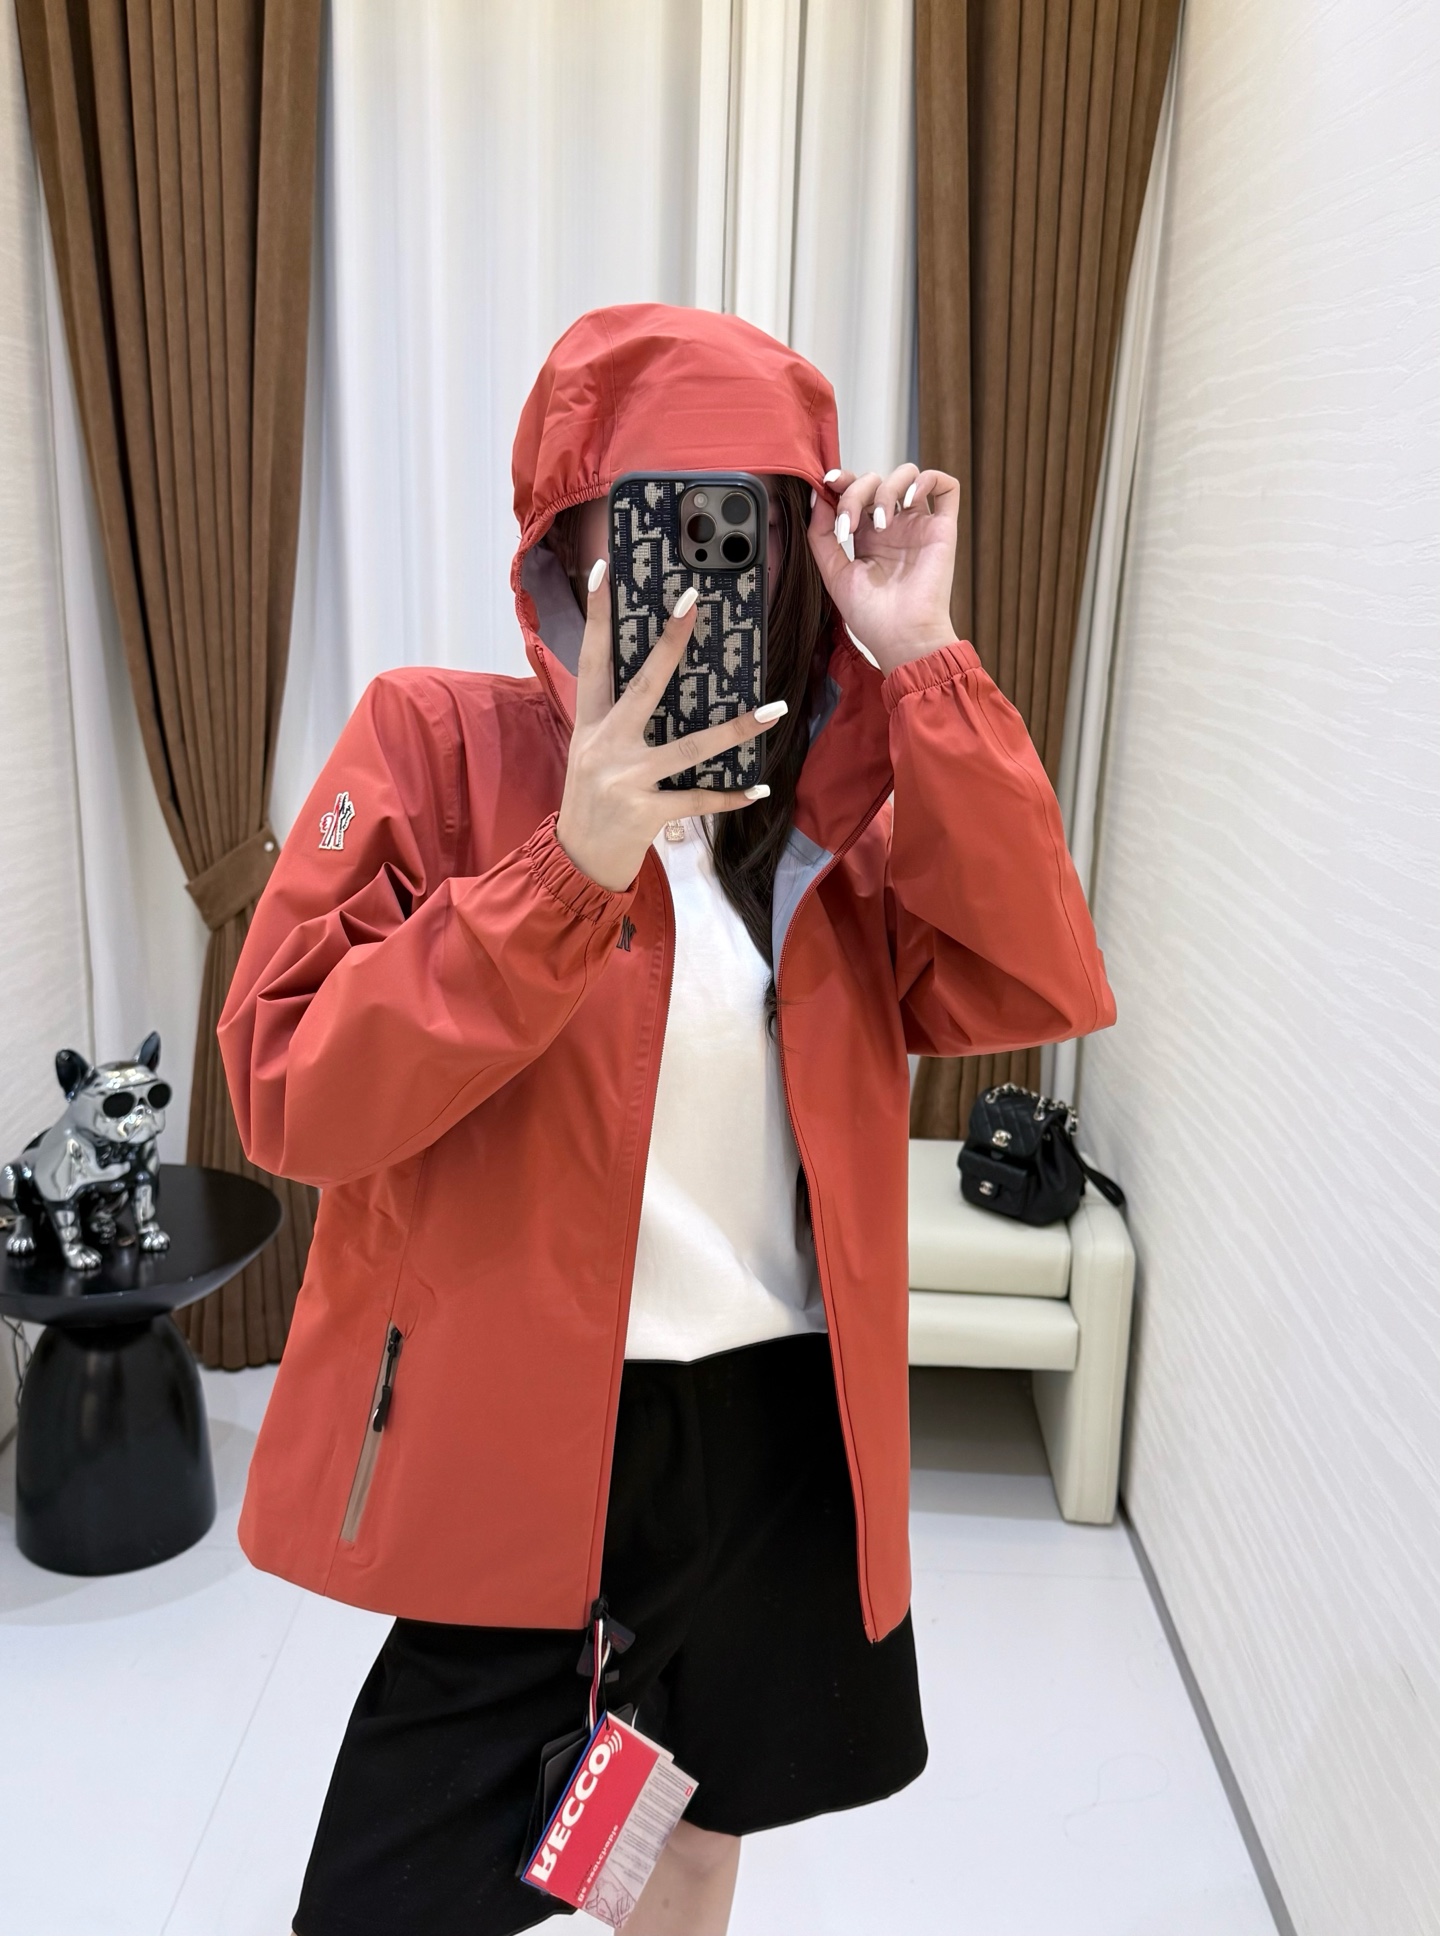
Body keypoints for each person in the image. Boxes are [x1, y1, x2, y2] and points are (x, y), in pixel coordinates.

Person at [219, 304, 1116, 1936]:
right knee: (385, 1903)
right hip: (527, 1432)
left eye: (747, 523)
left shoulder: (834, 796)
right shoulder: (438, 745)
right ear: (569, 543)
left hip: (779, 1428)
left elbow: (1031, 978)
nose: (701, 569)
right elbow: (290, 1088)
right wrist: (571, 861)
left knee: (693, 1832)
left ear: (796, 552)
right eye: (652, 518)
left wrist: (919, 657)